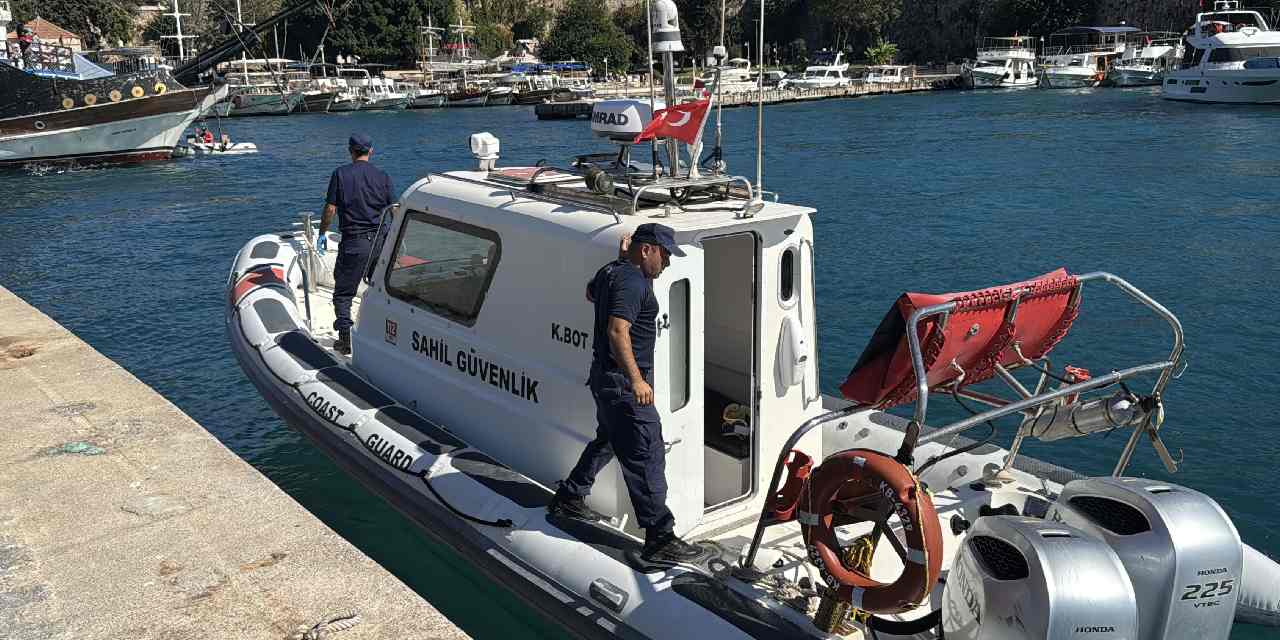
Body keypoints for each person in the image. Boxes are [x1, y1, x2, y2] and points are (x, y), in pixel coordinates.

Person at [549, 223, 703, 567]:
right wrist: (637, 380)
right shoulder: (632, 281)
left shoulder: (614, 272)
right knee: (646, 451)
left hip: (604, 380)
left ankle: (571, 495)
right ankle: (659, 538)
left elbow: (591, 293)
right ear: (647, 249)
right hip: (622, 384)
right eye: (664, 255)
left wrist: (622, 260)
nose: (667, 264)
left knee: (608, 440)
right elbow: (618, 331)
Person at [320, 133, 393, 355]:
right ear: (371, 151)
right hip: (380, 241)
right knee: (378, 288)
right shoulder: (383, 177)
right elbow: (395, 210)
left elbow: (331, 209)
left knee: (343, 293)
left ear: (350, 151)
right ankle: (378, 334)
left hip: (355, 241)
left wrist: (322, 232)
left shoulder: (340, 174)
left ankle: (345, 338)